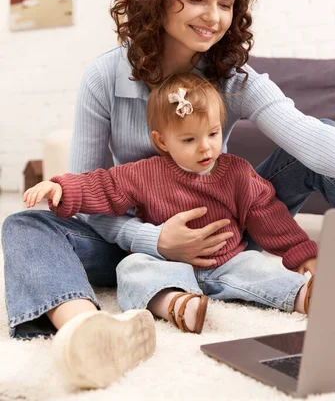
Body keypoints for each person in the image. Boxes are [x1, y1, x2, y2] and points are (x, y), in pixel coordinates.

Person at [2, 0, 335, 389]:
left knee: (327, 135)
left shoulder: (233, 77)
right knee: (26, 222)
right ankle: (86, 329)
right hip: (135, 237)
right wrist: (156, 241)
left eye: (226, 3)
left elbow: (309, 139)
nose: (213, 16)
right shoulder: (104, 76)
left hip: (226, 224)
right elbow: (93, 192)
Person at [24, 73, 318, 335]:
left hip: (229, 260)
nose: (206, 147)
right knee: (132, 267)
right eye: (189, 139)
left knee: (260, 267)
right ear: (162, 141)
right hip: (166, 263)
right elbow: (105, 185)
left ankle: (303, 295)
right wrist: (61, 187)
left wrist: (301, 253)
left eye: (213, 134)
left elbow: (267, 213)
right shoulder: (145, 173)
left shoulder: (238, 172)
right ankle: (176, 303)